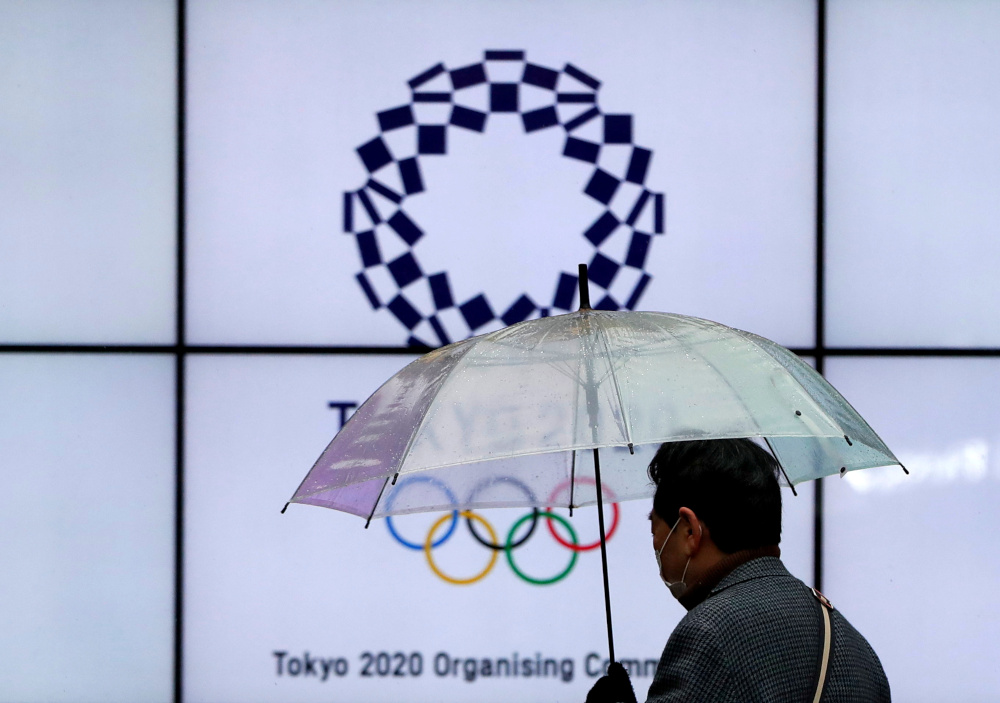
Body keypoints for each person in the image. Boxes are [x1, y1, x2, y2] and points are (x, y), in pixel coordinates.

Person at [586, 438, 890, 702]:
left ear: (690, 531)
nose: (655, 544)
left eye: (654, 527)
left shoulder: (709, 634)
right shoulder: (857, 649)